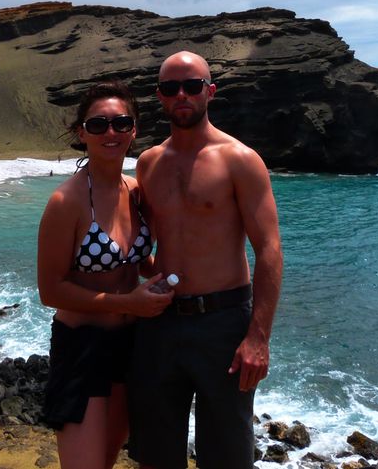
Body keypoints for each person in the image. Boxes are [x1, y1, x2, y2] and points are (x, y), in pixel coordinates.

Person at [128, 52, 284, 469]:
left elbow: (268, 249)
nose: (182, 95)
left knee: (227, 454)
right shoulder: (148, 163)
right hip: (159, 322)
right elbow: (141, 245)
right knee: (156, 451)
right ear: (159, 97)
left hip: (224, 323)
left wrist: (258, 337)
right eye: (170, 88)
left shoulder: (240, 160)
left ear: (209, 92)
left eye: (192, 86)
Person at [37, 80, 173, 469]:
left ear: (133, 129)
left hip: (133, 346)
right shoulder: (66, 202)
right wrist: (127, 301)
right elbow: (50, 290)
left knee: (110, 457)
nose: (110, 133)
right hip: (82, 348)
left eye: (120, 123)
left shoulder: (135, 190)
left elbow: (136, 261)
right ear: (81, 133)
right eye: (98, 125)